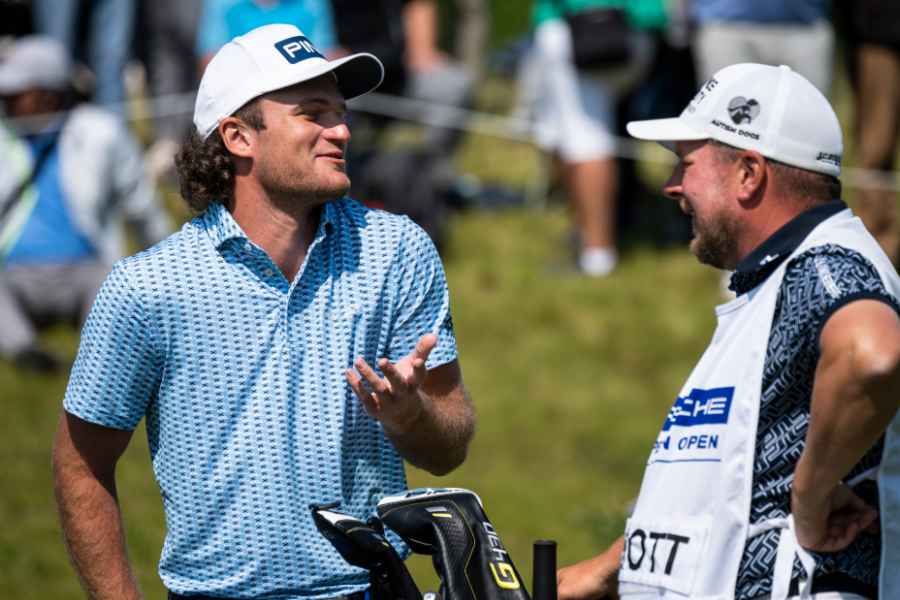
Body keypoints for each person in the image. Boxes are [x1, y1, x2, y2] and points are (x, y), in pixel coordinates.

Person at [51, 23, 475, 600]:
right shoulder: (148, 286)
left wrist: (411, 416)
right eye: (313, 114)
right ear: (238, 137)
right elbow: (80, 465)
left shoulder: (396, 250)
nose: (341, 130)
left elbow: (449, 448)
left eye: (340, 112)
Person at [557, 63, 900, 600]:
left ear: (749, 174)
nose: (672, 186)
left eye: (685, 164)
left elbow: (874, 355)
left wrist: (809, 501)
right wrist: (615, 567)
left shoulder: (827, 263)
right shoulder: (778, 278)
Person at [0, 36, 170, 371]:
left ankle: (101, 356)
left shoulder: (100, 132)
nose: (6, 100)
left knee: (115, 290)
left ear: (48, 93)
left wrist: (173, 273)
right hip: (13, 272)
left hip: (88, 267)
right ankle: (25, 352)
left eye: (17, 93)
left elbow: (141, 207)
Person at [522, 0, 662, 276]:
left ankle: (597, 256)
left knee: (586, 141)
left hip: (585, 32)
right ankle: (586, 236)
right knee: (573, 137)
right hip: (631, 32)